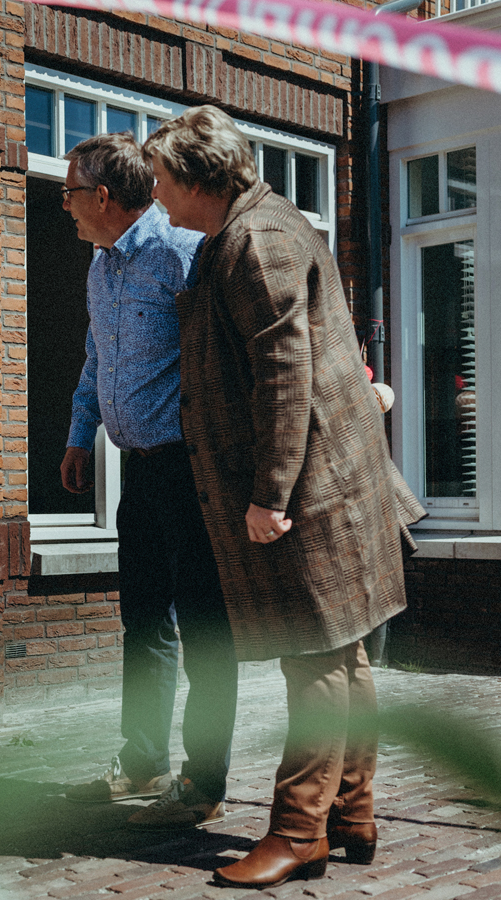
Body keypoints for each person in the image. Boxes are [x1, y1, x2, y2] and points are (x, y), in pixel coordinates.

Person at [142, 106, 425, 887]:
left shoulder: (255, 241)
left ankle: (300, 832)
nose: (157, 194)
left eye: (163, 180)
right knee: (343, 651)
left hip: (308, 493)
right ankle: (350, 813)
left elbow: (284, 374)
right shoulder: (250, 228)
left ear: (200, 177)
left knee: (314, 659)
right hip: (328, 483)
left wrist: (269, 493)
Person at [58, 132, 240, 831]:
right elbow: (92, 358)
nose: (64, 206)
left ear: (102, 196)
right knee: (143, 621)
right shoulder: (100, 269)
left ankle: (205, 781)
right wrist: (81, 434)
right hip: (138, 471)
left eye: (70, 191)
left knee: (203, 626)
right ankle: (142, 761)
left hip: (193, 473)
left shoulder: (184, 254)